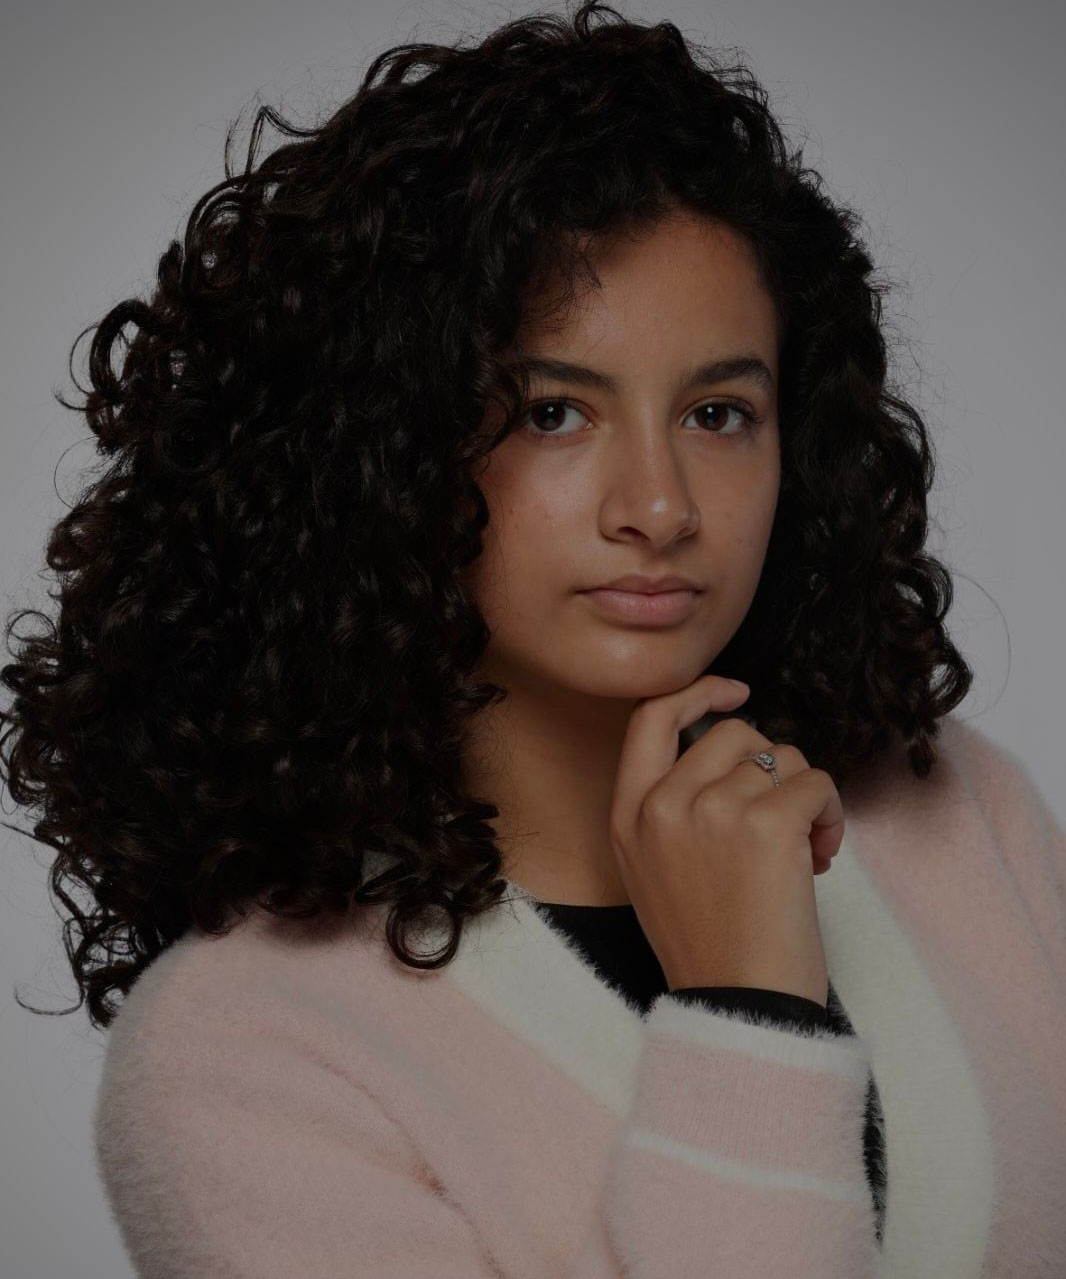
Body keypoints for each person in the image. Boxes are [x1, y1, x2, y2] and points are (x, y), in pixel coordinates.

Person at [3, 3, 1064, 1276]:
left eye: (719, 413)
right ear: (381, 452)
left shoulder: (952, 812)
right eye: (553, 412)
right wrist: (749, 1006)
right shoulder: (247, 1058)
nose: (660, 508)